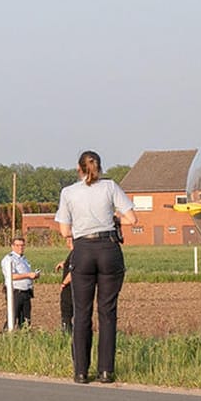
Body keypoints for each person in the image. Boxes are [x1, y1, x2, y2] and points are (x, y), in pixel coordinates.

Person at [55, 150, 137, 383]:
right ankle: (105, 371)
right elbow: (133, 219)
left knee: (81, 312)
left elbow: (64, 231)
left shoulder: (69, 192)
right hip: (108, 249)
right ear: (99, 167)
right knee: (107, 312)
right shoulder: (110, 187)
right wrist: (114, 218)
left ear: (79, 168)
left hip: (82, 250)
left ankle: (81, 371)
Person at [0, 236, 40, 329]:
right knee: (12, 318)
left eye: (22, 245)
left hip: (26, 292)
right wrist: (28, 275)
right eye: (18, 245)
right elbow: (11, 276)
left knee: (26, 320)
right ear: (12, 246)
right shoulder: (9, 259)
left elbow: (25, 274)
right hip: (15, 292)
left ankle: (24, 338)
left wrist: (34, 275)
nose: (20, 248)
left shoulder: (23, 259)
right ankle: (6, 336)